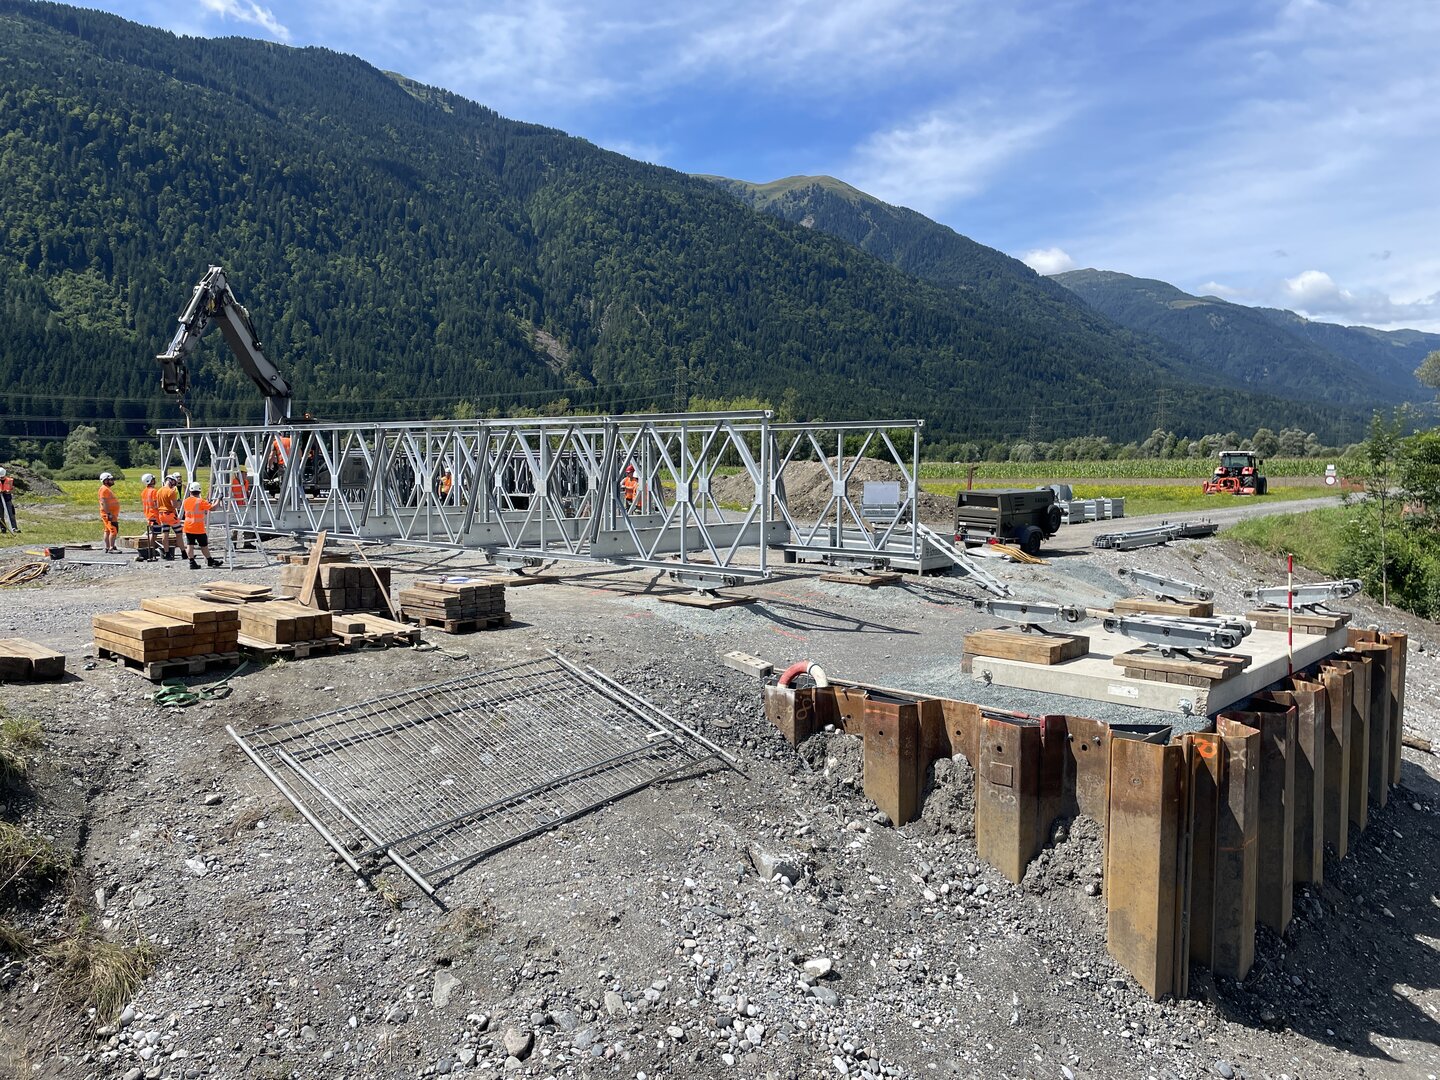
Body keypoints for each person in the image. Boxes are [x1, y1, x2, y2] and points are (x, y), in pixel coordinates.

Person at [180, 481, 222, 569]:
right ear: (199, 491)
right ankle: (209, 560)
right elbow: (213, 508)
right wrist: (218, 499)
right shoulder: (200, 501)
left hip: (188, 526)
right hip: (198, 527)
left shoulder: (186, 501)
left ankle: (192, 562)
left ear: (190, 491)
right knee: (204, 545)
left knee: (190, 545)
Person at [154, 474, 181, 560]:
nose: (174, 485)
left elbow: (156, 505)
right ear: (171, 481)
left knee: (165, 534)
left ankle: (167, 553)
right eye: (174, 483)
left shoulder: (159, 491)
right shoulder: (171, 491)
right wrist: (178, 503)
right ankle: (184, 552)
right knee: (179, 533)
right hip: (170, 514)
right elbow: (174, 505)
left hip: (161, 514)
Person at [137, 473, 160, 561]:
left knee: (152, 533)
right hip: (154, 514)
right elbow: (156, 504)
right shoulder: (153, 491)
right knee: (154, 534)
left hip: (148, 514)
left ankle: (151, 549)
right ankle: (151, 550)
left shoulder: (144, 492)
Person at [97, 472, 120, 553]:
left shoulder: (106, 489)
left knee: (107, 530)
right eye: (111, 479)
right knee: (113, 530)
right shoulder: (104, 489)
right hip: (108, 514)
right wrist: (108, 513)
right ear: (105, 481)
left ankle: (108, 546)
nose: (113, 481)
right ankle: (111, 548)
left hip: (110, 513)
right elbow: (103, 502)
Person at [0, 467, 17, 534]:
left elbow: (13, 490)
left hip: (7, 499)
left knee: (11, 514)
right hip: (0, 500)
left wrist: (8, 491)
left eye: (2, 477)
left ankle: (14, 528)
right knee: (1, 516)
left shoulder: (10, 480)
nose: (1, 478)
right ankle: (3, 528)